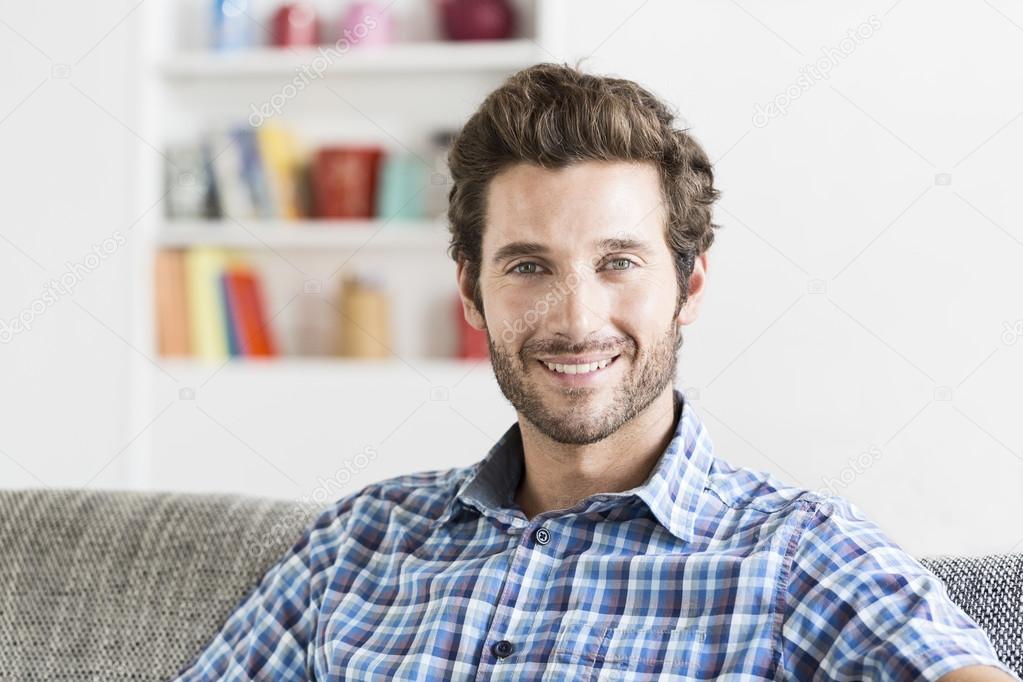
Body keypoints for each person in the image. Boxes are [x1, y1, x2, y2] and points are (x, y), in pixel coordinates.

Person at [174, 63, 1018, 681]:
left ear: (688, 285)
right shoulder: (357, 543)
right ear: (471, 292)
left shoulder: (797, 555)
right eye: (528, 267)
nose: (577, 320)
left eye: (616, 262)